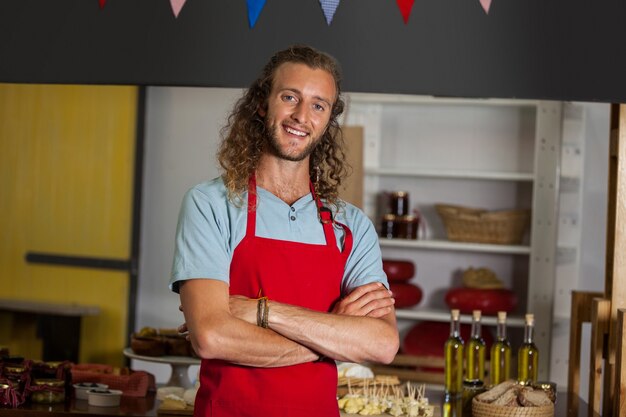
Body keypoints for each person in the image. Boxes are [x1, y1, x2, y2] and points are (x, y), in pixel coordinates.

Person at [170, 45, 399, 417]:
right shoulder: (210, 204)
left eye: (318, 105)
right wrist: (335, 336)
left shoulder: (350, 226)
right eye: (289, 97)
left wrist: (263, 312)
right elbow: (212, 337)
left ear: (327, 121)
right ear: (263, 104)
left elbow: (383, 344)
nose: (301, 116)